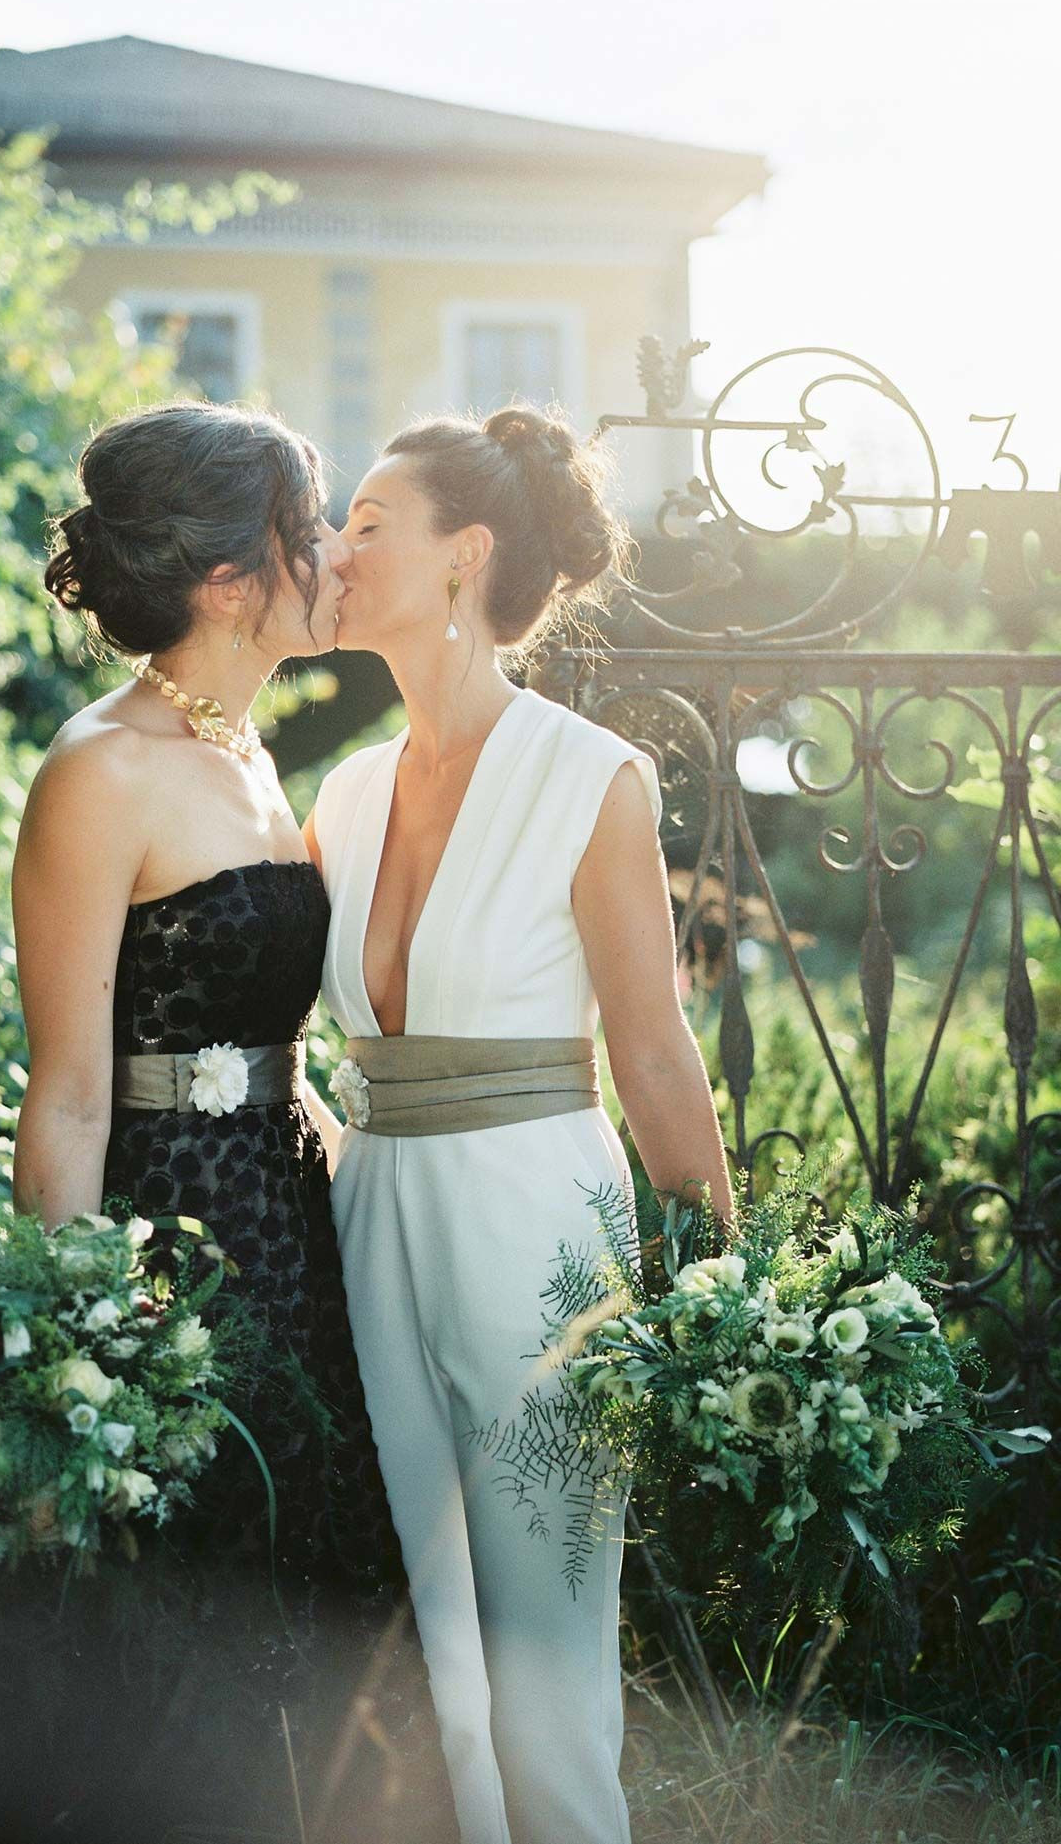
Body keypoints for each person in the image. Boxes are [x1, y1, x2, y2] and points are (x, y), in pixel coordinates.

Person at [0, 401, 446, 1842]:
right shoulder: (101, 771)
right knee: (184, 1629)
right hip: (171, 1249)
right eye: (308, 526)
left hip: (292, 1222)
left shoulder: (257, 753)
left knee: (322, 1632)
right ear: (227, 583)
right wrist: (61, 1361)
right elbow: (71, 1087)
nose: (333, 552)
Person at [303, 405, 733, 1844]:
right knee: (420, 1662)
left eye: (367, 522)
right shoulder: (342, 794)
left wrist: (720, 1298)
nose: (335, 548)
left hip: (539, 1219)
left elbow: (657, 1054)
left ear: (461, 557)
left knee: (545, 1659)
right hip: (370, 1218)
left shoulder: (589, 776)